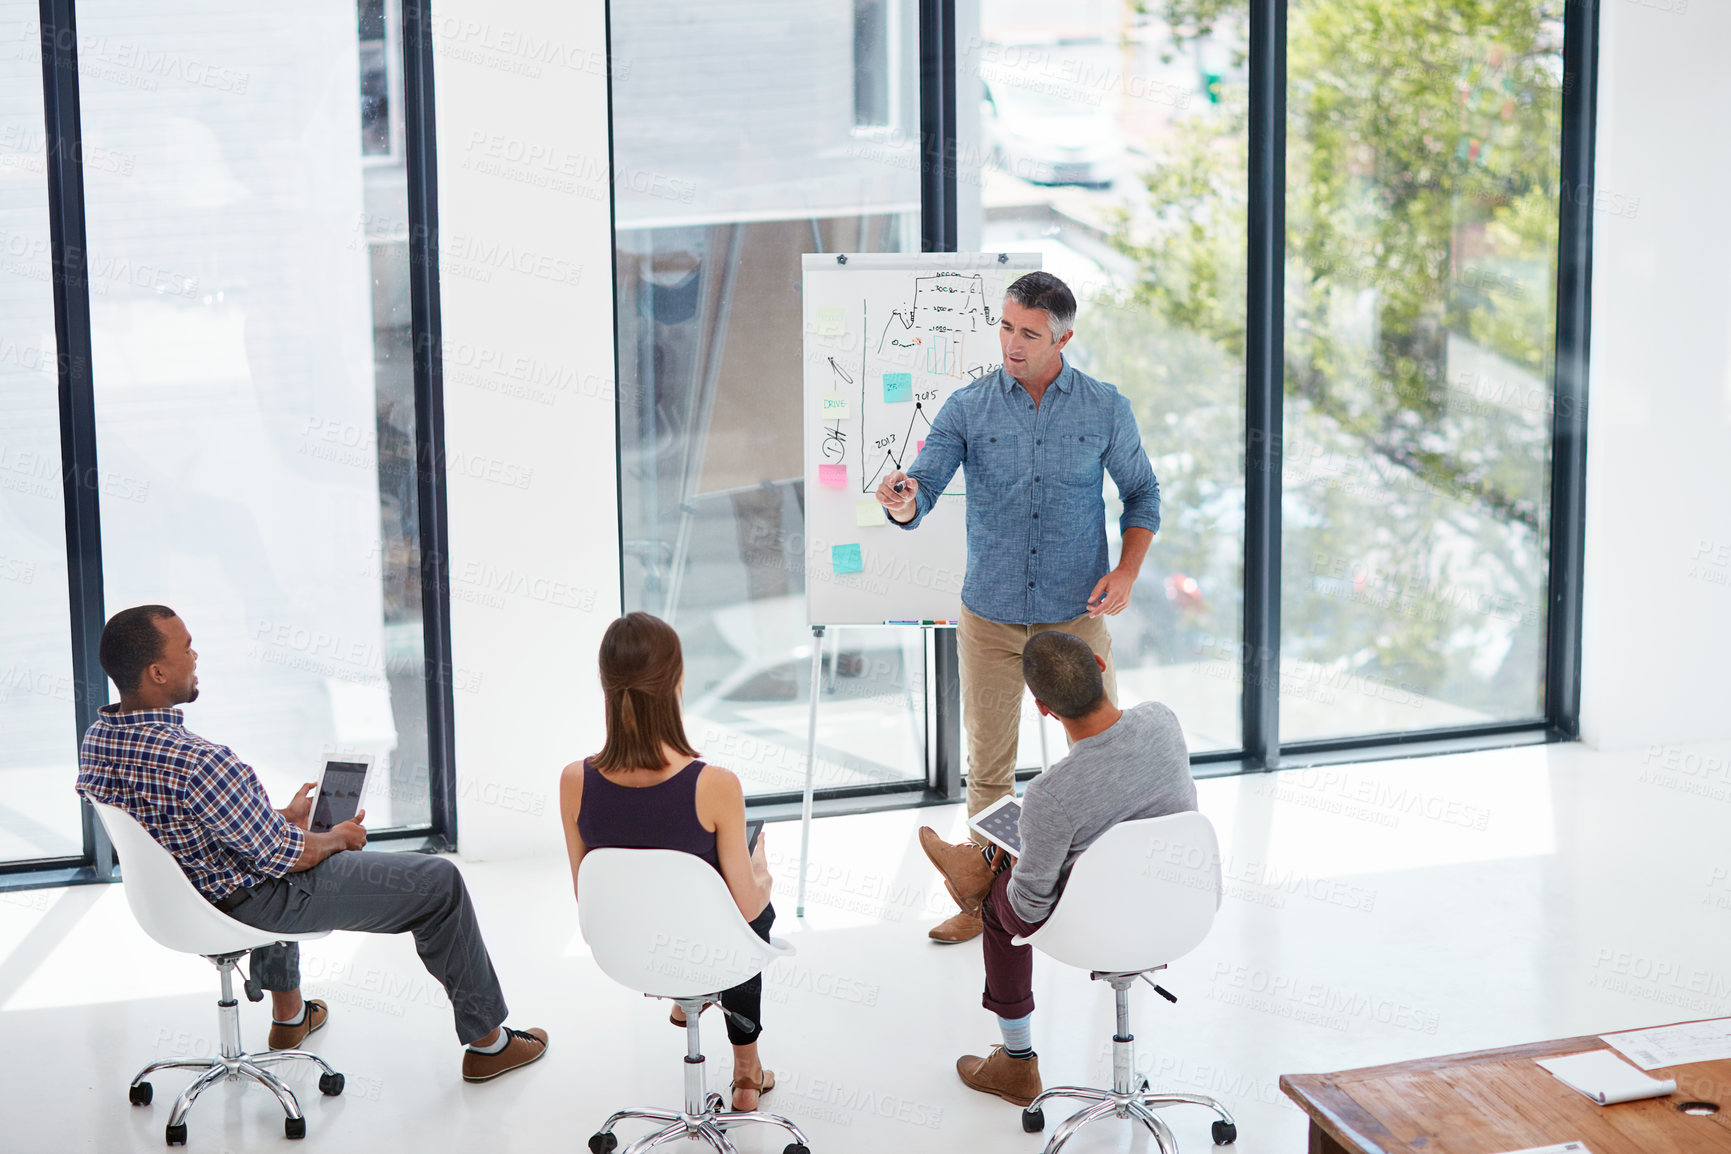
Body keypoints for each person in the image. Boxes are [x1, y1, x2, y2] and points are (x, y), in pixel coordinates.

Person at [75, 605, 548, 1083]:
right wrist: (334, 837)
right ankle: (490, 1045)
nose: (196, 656)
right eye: (186, 648)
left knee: (269, 848)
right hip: (246, 903)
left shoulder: (98, 741)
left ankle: (289, 1017)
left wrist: (277, 819)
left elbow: (188, 826)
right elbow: (284, 855)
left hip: (179, 903)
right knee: (441, 883)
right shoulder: (201, 761)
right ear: (157, 672)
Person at [875, 270, 1161, 944]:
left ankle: (1102, 893)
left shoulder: (1104, 408)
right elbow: (925, 481)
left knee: (1101, 758)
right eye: (1005, 327)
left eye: (1028, 333)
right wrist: (903, 498)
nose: (1012, 342)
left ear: (1063, 336)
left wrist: (1126, 570)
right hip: (991, 620)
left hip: (1075, 617)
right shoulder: (968, 407)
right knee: (990, 767)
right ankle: (989, 899)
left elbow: (1142, 493)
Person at [918, 631, 1198, 1107]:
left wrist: (1015, 863)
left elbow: (1029, 909)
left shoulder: (1051, 793)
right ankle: (985, 863)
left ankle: (1016, 1061)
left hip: (1100, 924)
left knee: (996, 903)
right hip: (1180, 907)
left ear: (1042, 707)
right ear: (1099, 664)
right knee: (1036, 855)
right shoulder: (1162, 720)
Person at [559, 612, 779, 1111]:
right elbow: (745, 909)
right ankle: (747, 1072)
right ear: (676, 682)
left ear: (605, 684)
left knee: (684, 894)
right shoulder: (715, 784)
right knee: (755, 911)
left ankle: (686, 999)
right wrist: (761, 868)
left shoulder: (574, 781)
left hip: (628, 951)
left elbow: (590, 892)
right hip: (706, 949)